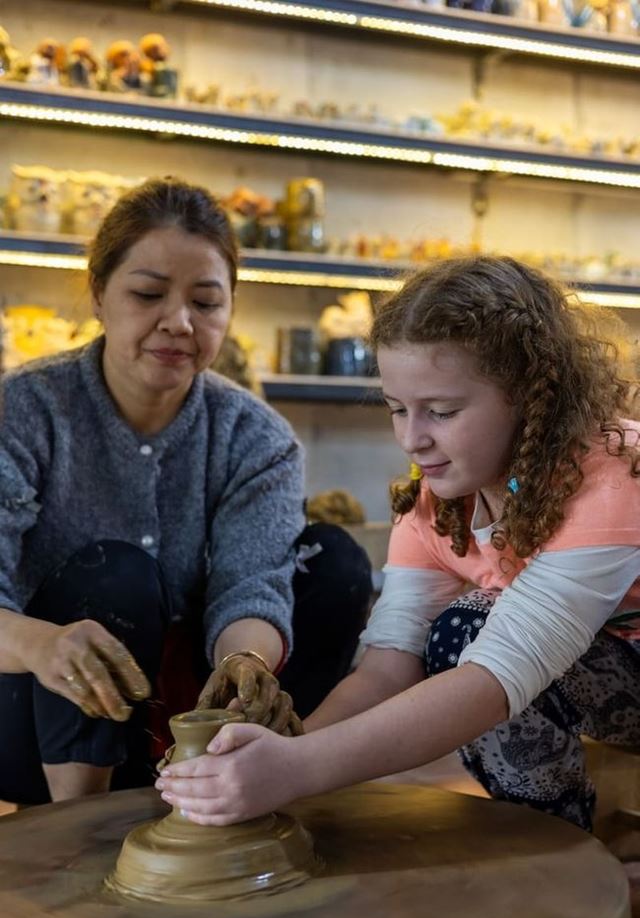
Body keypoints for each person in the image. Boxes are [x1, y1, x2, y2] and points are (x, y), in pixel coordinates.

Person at [157, 254, 640, 832]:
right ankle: (557, 835)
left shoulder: (614, 477)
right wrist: (283, 747)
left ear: (529, 395)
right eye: (397, 409)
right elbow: (389, 666)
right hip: (608, 678)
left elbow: (497, 676)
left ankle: (561, 850)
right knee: (459, 633)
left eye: (441, 411)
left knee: (469, 628)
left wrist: (296, 771)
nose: (412, 439)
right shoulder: (437, 501)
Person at [0, 176, 372, 806]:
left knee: (335, 562)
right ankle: (78, 826)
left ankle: (266, 777)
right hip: (33, 717)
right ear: (99, 293)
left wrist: (245, 665)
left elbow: (251, 584)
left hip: (187, 712)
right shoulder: (24, 409)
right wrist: (43, 645)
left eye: (205, 302)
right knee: (115, 573)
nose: (178, 322)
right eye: (148, 294)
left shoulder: (256, 436)